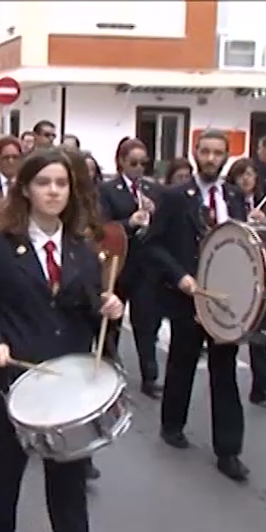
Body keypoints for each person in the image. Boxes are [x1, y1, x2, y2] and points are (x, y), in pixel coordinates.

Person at [0, 148, 124, 532]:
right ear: (26, 189)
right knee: (10, 457)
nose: (53, 191)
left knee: (67, 476)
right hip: (13, 375)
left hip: (66, 381)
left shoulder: (83, 250)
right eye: (44, 182)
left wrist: (108, 309)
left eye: (62, 183)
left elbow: (85, 311)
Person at [145, 128, 250, 482]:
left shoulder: (235, 197)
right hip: (186, 295)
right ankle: (172, 424)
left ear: (226, 156)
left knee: (225, 371)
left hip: (225, 301)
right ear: (195, 153)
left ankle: (229, 450)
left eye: (217, 152)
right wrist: (180, 277)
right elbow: (154, 244)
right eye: (204, 151)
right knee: (182, 362)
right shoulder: (174, 196)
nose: (210, 158)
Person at [225, 157, 266, 406]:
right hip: (233, 272)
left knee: (258, 329)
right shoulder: (226, 201)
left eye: (251, 174)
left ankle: (261, 388)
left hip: (259, 273)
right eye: (241, 174)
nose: (246, 178)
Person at [97, 137, 162, 398]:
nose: (138, 168)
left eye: (142, 163)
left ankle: (150, 376)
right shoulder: (108, 189)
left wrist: (154, 213)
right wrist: (129, 222)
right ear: (121, 162)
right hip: (119, 262)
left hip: (146, 265)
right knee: (111, 320)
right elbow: (103, 226)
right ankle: (109, 369)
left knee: (146, 323)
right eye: (133, 163)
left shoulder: (152, 189)